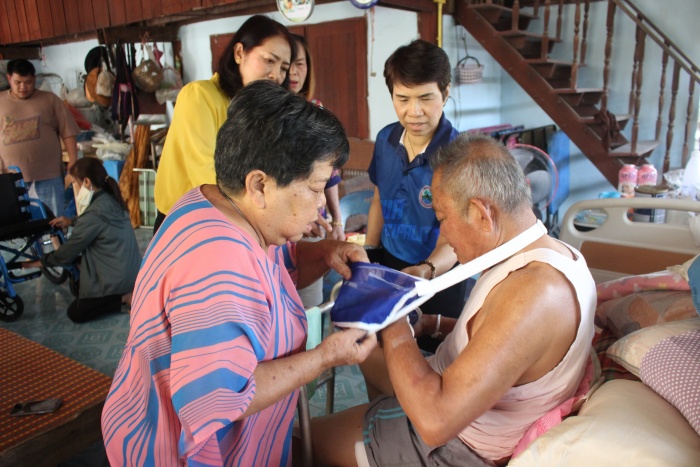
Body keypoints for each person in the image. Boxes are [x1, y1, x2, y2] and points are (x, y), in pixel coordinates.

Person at [101, 80, 377, 466]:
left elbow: (273, 270)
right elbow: (222, 397)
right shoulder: (218, 261)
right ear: (259, 184)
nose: (320, 206)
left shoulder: (217, 203)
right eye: (316, 189)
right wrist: (325, 357)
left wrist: (328, 253)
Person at [311, 133, 597, 467]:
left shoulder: (533, 293)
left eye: (443, 218)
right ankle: (382, 427)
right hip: (454, 399)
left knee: (300, 441)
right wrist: (431, 323)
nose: (443, 233)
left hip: (454, 444)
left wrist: (393, 316)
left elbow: (434, 422)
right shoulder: (550, 253)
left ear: (480, 214)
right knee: (368, 352)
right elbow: (503, 340)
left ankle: (386, 438)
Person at [364, 39, 469, 353]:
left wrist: (426, 271)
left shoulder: (457, 154)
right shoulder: (385, 139)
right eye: (403, 99)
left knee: (437, 356)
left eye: (425, 98)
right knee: (389, 347)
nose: (414, 112)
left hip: (440, 272)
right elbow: (379, 198)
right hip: (392, 262)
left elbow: (456, 237)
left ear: (445, 93)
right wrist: (370, 255)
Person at [152, 14, 296, 234]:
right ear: (239, 53)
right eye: (269, 60)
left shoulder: (256, 111)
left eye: (284, 68)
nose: (276, 75)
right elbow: (206, 175)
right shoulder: (199, 95)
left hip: (237, 221)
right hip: (187, 225)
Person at [22, 157, 141, 323]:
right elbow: (98, 224)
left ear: (86, 182)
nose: (75, 188)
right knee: (82, 270)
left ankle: (124, 298)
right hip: (132, 273)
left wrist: (35, 263)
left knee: (76, 313)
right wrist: (71, 221)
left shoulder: (93, 214)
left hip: (117, 280)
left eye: (74, 183)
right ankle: (125, 294)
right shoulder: (112, 200)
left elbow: (67, 253)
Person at [290, 33, 344, 308]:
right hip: (277, 226)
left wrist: (337, 221)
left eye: (300, 64)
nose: (293, 72)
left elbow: (330, 175)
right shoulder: (266, 117)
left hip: (313, 226)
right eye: (286, 64)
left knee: (308, 305)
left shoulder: (315, 110)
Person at [0, 59, 79, 217]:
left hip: (48, 176)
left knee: (54, 220)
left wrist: (73, 160)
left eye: (28, 82)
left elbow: (68, 131)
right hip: (10, 178)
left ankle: (56, 236)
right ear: (9, 79)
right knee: (18, 222)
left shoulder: (50, 100)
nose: (23, 87)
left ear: (35, 79)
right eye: (18, 82)